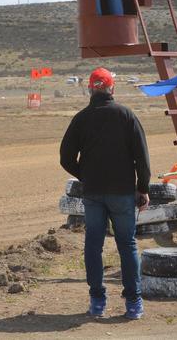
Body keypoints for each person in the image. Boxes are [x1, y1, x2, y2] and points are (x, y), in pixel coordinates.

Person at [59, 67, 150, 320]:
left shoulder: (81, 118)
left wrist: (85, 175)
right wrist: (142, 188)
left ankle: (97, 301)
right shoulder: (126, 115)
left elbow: (65, 157)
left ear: (90, 89)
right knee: (127, 245)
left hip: (93, 193)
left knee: (93, 245)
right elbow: (142, 157)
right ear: (112, 89)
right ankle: (133, 304)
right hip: (122, 192)